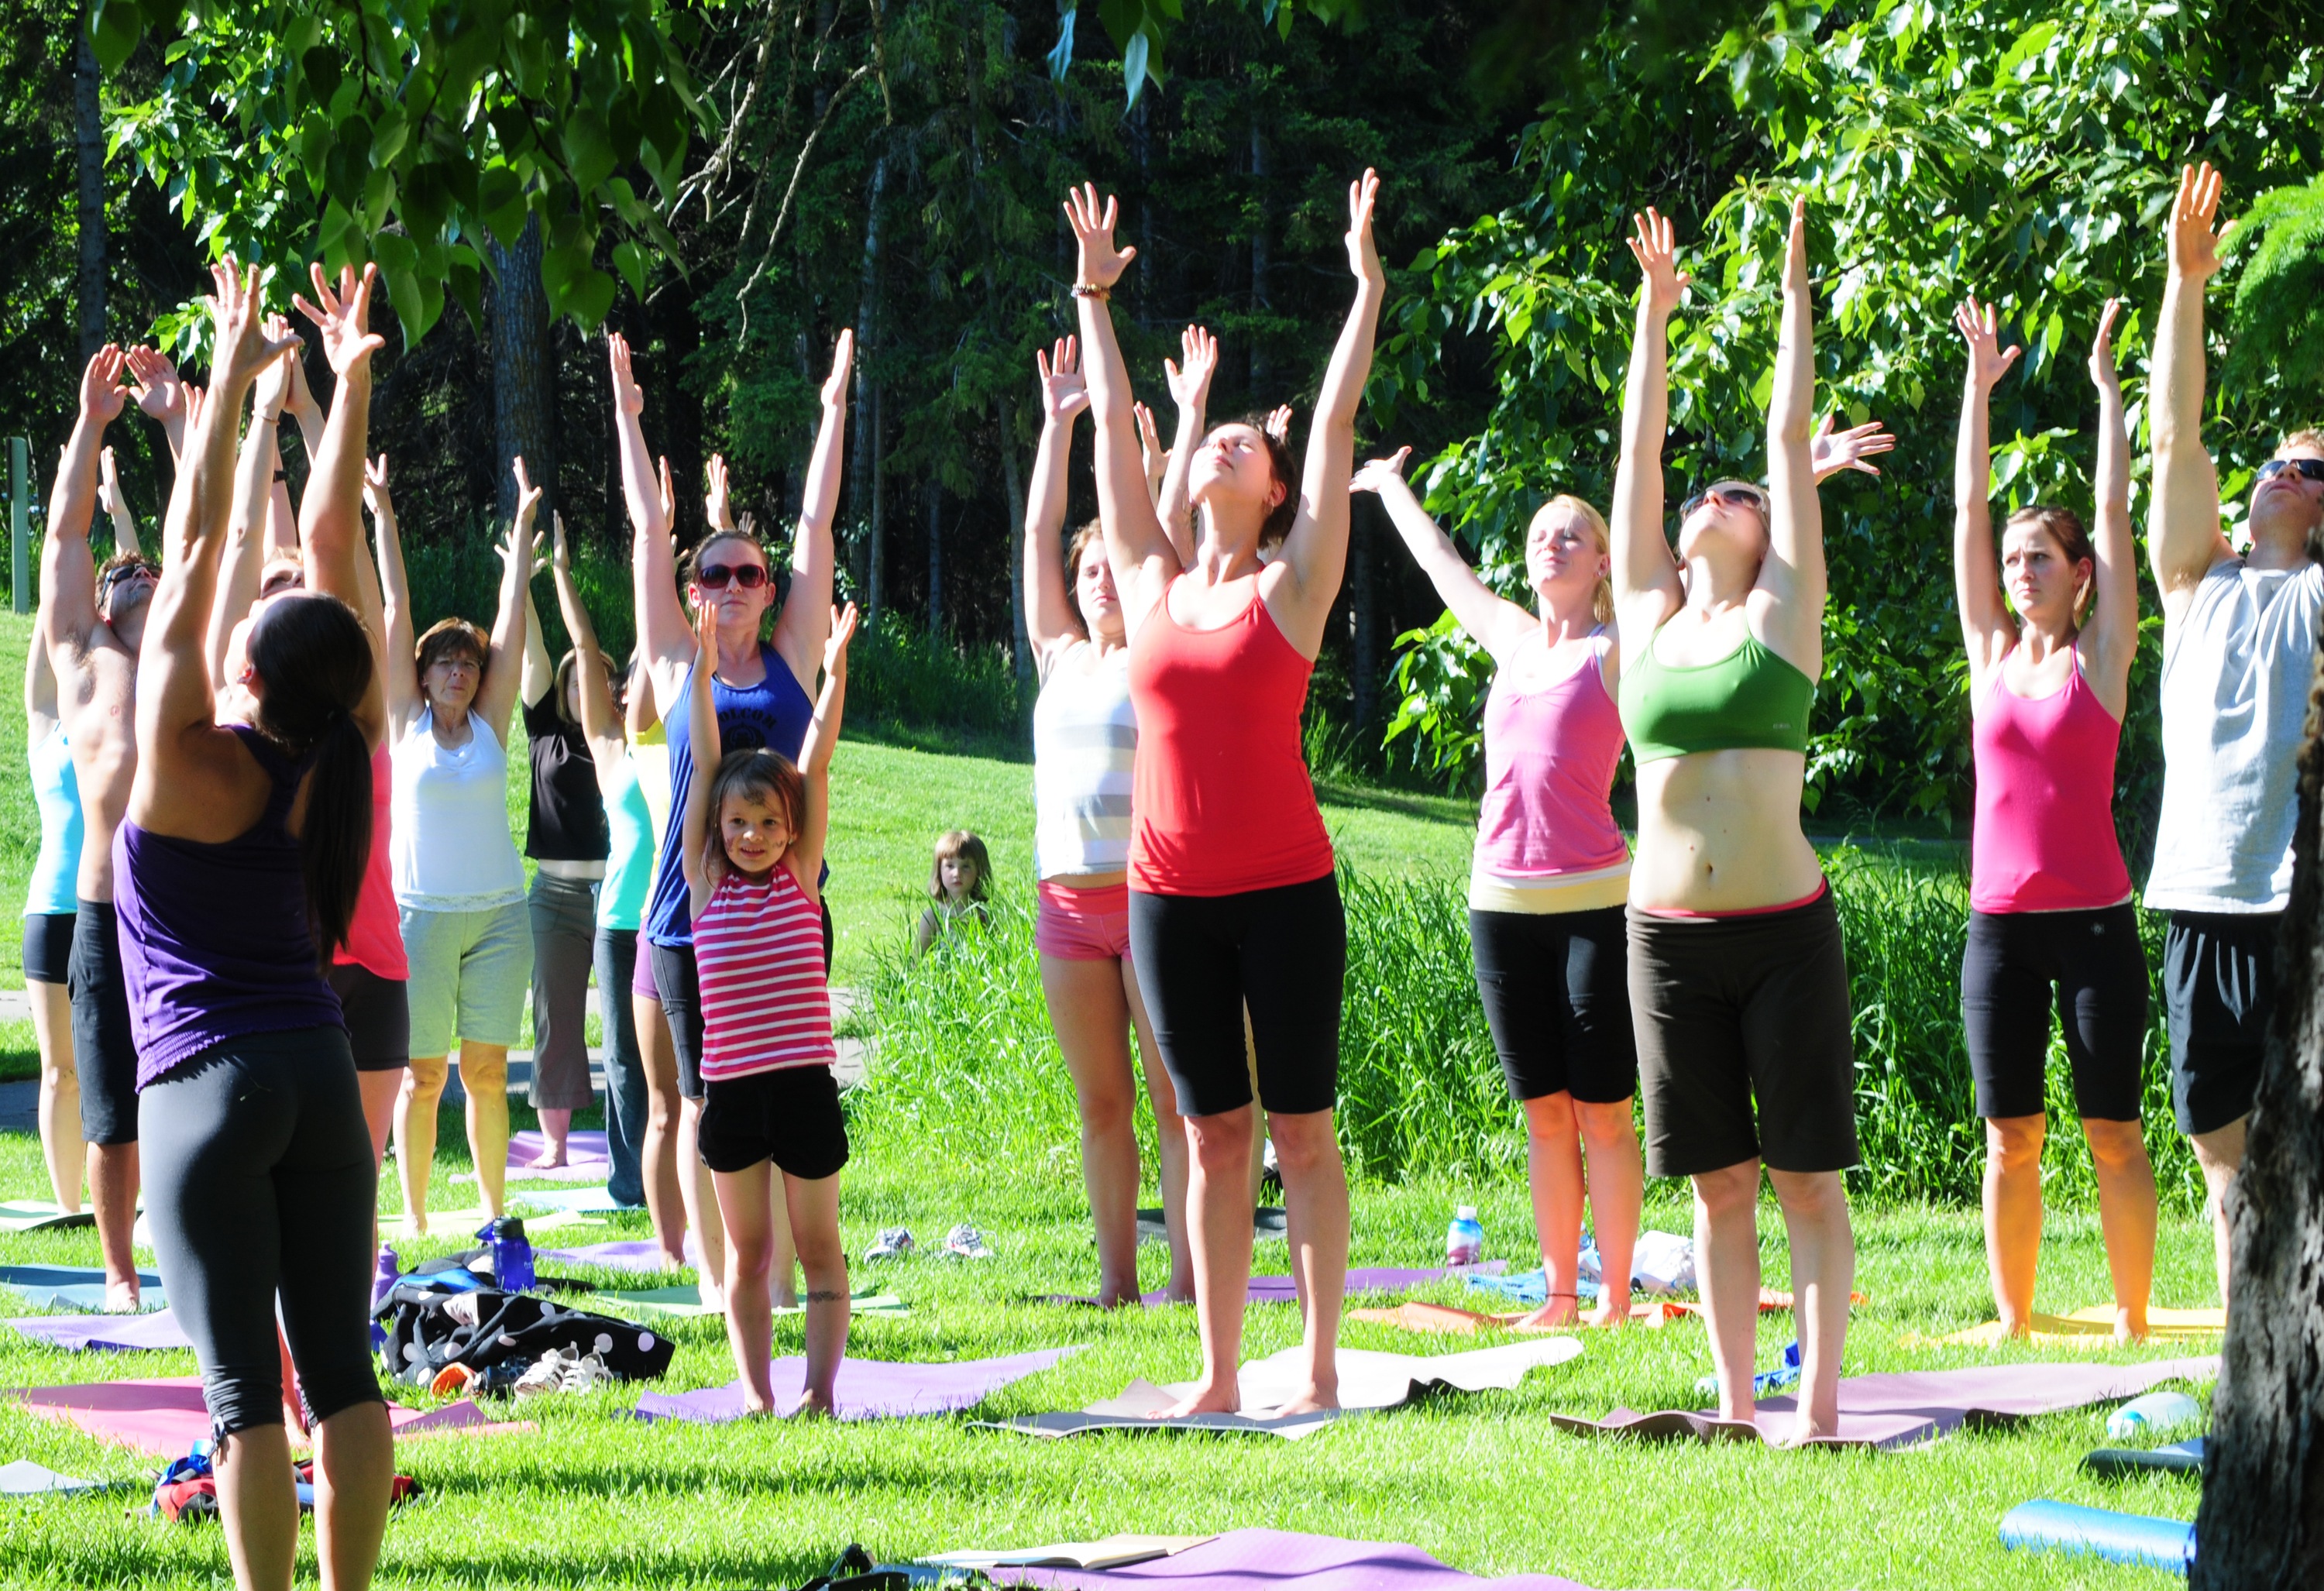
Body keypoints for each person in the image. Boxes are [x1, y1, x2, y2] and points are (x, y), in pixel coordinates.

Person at [1065, 170, 1384, 1416]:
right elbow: (1107, 432)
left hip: (1286, 894)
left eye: (1249, 441)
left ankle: (1313, 1363)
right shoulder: (1145, 580)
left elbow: (1342, 423)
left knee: (1299, 1131)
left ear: (1270, 489)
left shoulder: (1290, 589)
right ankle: (1214, 1371)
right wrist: (1096, 301)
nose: (1231, 447)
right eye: (1222, 439)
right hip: (1168, 899)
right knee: (1209, 1136)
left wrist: (1364, 287)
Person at [125, 253, 392, 1591]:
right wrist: (342, 388)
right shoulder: (340, 751)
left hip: (205, 1084)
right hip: (320, 1073)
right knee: (338, 1368)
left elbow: (186, 554)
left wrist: (231, 377)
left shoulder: (182, 761)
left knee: (243, 1390)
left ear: (250, 667)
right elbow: (330, 548)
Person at [1608, 201, 1855, 1443]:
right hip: (1666, 932)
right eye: (1703, 496)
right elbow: (1638, 454)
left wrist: (1795, 294)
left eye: (1742, 496)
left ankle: (1814, 1408)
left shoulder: (1782, 616)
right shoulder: (1648, 611)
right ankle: (1735, 1401)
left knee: (1806, 1176)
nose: (1713, 497)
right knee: (1715, 1184)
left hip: (1783, 928)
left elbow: (1783, 426)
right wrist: (1655, 315)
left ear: (1768, 533)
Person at [1353, 454, 1644, 1328]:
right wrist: (1385, 486)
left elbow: (1677, 567)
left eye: (1575, 533)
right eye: (1541, 533)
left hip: (1594, 902)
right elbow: (1443, 565)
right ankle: (1560, 1296)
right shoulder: (1514, 639)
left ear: (1602, 562)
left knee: (1604, 1112)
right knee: (1546, 1112)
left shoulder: (1619, 649)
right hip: (1501, 904)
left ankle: (1617, 1296)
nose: (1554, 542)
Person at [614, 331, 853, 1308]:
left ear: (771, 589)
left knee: (789, 1082)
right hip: (687, 914)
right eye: (712, 575)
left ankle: (787, 1271)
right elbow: (644, 534)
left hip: (791, 908)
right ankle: (724, 1279)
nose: (730, 587)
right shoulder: (675, 659)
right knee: (708, 1099)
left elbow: (818, 520)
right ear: (692, 593)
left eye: (747, 573)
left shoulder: (796, 650)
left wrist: (834, 406)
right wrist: (630, 418)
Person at [1951, 294, 2157, 1340]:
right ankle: (2014, 1319)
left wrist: (2109, 391)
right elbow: (1965, 519)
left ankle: (2131, 1317)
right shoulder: (1990, 652)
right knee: (2009, 1135)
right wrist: (1978, 395)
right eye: (2014, 559)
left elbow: (2117, 517)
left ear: (2080, 579)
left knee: (2113, 1129)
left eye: (2041, 557)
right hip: (1999, 927)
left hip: (2093, 925)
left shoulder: (2101, 657)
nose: (2020, 570)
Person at [2142, 162, 2324, 1305]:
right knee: (2225, 1158)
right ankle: (2246, 1372)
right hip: (2202, 895)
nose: (2277, 472)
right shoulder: (2194, 583)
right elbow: (2175, 428)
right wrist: (2185, 282)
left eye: (2305, 466)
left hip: (2298, 898)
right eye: (2274, 461)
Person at [1019, 336, 1191, 1306]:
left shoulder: (1155, 651)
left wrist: (1175, 434)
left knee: (1173, 1101)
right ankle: (1116, 1281)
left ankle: (1183, 1282)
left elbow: (1152, 533)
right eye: (1086, 574)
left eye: (1108, 570)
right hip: (1065, 909)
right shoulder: (1057, 656)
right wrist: (1057, 425)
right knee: (1102, 1103)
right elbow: (1040, 535)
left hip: (1148, 900)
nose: (1096, 580)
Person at [682, 600, 858, 1416]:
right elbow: (705, 752)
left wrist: (837, 667)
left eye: (768, 823)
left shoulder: (798, 875)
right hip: (734, 1094)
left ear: (793, 833)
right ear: (716, 827)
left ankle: (820, 1388)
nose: (753, 834)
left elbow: (815, 758)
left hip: (803, 1087)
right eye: (739, 822)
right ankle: (755, 1391)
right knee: (749, 1255)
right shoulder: (707, 881)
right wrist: (700, 662)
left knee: (820, 1247)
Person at [379, 456, 541, 1232]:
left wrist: (521, 531)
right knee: (422, 1072)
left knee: (485, 1071)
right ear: (422, 672)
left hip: (502, 915)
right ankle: (412, 1215)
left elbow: (508, 628)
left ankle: (490, 1209)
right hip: (419, 915)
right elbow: (396, 607)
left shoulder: (489, 726)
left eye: (469, 661)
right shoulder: (404, 720)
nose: (461, 669)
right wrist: (384, 513)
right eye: (446, 659)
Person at [40, 343, 160, 1311]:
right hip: (104, 908)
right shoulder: (86, 660)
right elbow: (66, 537)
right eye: (117, 573)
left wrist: (176, 422)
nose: (129, 579)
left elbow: (226, 537)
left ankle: (190, 1252)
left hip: (189, 906)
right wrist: (91, 423)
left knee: (192, 1099)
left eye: (145, 573)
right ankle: (119, 1272)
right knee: (113, 1107)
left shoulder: (193, 660)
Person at [543, 512, 663, 1222]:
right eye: (623, 686)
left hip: (675, 922)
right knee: (622, 1062)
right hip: (617, 924)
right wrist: (561, 571)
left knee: (679, 1062)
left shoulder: (681, 746)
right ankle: (630, 1186)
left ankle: (690, 1178)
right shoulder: (612, 750)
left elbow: (666, 650)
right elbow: (585, 646)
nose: (627, 692)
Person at [519, 526, 612, 1170]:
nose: (585, 691)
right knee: (556, 1019)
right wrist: (524, 584)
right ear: (562, 689)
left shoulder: (621, 740)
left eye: (597, 681)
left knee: (634, 1024)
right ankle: (555, 1143)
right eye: (575, 683)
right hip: (552, 897)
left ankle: (632, 1138)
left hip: (617, 895)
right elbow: (531, 651)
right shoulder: (544, 732)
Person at [25, 590, 88, 1215]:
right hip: (49, 910)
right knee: (59, 1071)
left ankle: (137, 1197)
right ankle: (69, 1207)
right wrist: (59, 590)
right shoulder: (47, 726)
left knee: (127, 1065)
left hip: (115, 908)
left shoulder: (120, 718)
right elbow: (43, 662)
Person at [914, 830, 994, 954]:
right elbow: (917, 962)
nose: (957, 874)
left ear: (979, 870)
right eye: (950, 866)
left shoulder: (987, 916)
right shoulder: (933, 918)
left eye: (966, 866)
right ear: (939, 870)